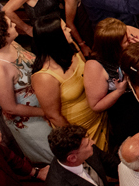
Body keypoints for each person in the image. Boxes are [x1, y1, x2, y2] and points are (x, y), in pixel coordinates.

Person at [0, 11, 53, 164]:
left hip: (45, 105)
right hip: (31, 120)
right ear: (2, 35)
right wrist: (46, 112)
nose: (14, 24)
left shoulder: (10, 43)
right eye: (10, 25)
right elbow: (10, 107)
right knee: (53, 153)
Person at [83, 18, 139, 151]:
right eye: (126, 41)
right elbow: (95, 106)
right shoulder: (94, 65)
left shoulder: (128, 47)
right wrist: (119, 91)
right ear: (113, 46)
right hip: (126, 113)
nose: (130, 40)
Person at [31, 14, 110, 148]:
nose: (69, 30)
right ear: (55, 37)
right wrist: (80, 140)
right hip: (82, 132)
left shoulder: (71, 47)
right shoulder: (44, 77)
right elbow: (54, 116)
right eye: (64, 29)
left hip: (100, 118)